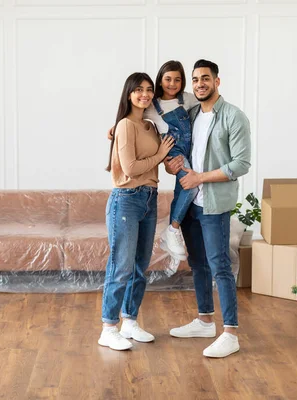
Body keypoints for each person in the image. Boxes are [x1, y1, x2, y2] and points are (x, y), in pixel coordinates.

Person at [166, 59, 251, 358]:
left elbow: (241, 164)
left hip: (214, 204)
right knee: (198, 264)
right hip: (190, 203)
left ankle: (231, 333)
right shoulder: (189, 115)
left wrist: (200, 177)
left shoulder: (233, 116)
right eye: (196, 79)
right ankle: (204, 321)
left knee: (220, 267)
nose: (200, 83)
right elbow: (172, 146)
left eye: (205, 78)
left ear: (217, 81)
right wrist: (171, 164)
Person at [99, 72, 175, 351]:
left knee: (140, 266)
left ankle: (129, 321)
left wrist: (164, 158)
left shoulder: (150, 126)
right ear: (128, 94)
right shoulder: (125, 125)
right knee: (122, 266)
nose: (144, 94)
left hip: (149, 198)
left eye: (148, 90)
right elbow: (130, 169)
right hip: (126, 199)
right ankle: (108, 327)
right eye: (138, 90)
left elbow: (159, 160)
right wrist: (159, 156)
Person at [144, 60, 200, 264]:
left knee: (183, 189)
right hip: (172, 149)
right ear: (160, 80)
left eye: (177, 79)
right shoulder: (151, 106)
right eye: (168, 79)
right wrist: (114, 129)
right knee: (190, 186)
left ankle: (172, 235)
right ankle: (172, 229)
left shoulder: (188, 99)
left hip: (191, 150)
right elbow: (129, 117)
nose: (172, 83)